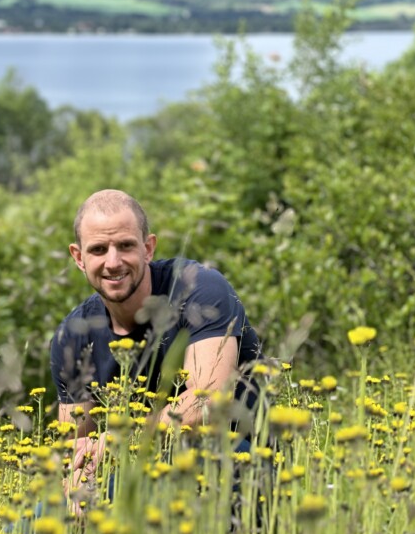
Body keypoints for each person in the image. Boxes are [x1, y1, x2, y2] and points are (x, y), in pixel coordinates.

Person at [50, 189, 263, 509]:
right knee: (38, 523)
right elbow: (74, 443)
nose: (113, 262)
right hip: (139, 469)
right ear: (79, 258)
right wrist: (76, 481)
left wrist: (120, 441)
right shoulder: (74, 334)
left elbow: (209, 403)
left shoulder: (197, 289)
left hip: (236, 459)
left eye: (125, 246)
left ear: (148, 248)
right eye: (98, 249)